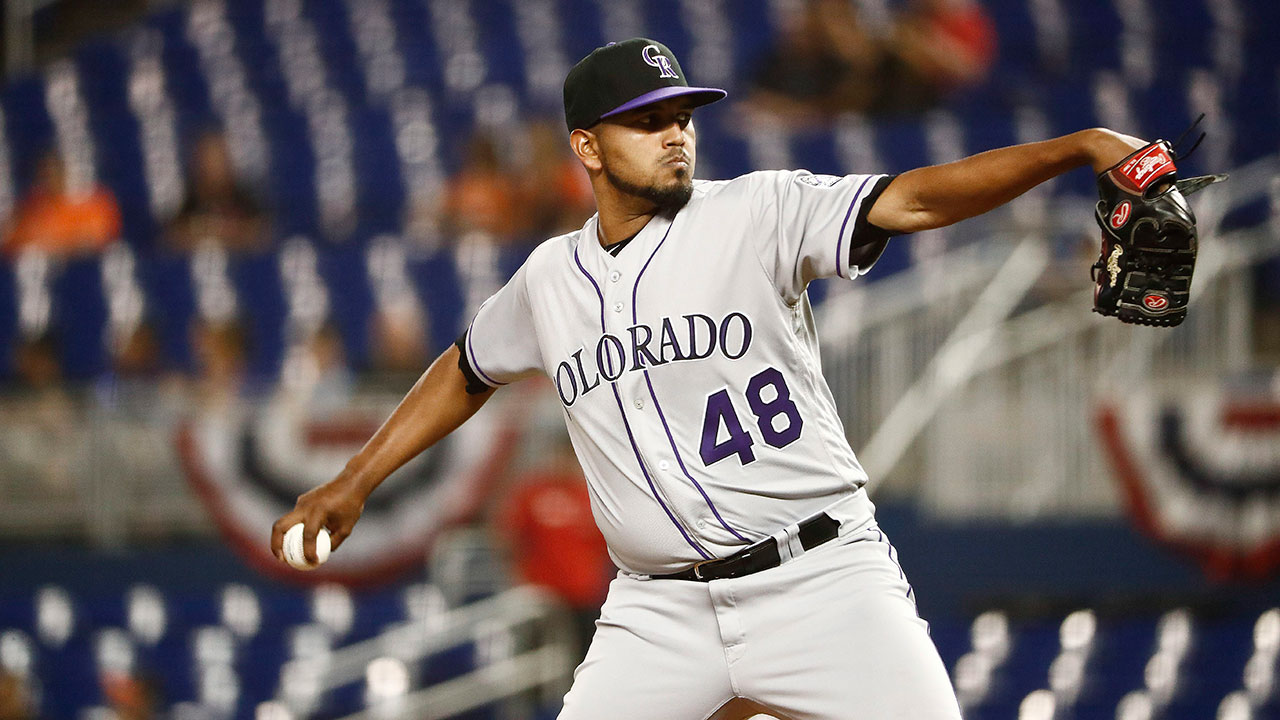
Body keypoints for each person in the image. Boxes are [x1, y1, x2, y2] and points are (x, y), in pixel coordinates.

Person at [272, 38, 1151, 719]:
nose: (676, 132)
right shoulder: (548, 279)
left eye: (682, 115)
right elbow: (467, 369)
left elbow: (912, 198)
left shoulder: (756, 211)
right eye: (647, 121)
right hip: (658, 614)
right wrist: (355, 480)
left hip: (822, 580)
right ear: (587, 145)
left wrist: (1077, 149)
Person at [2, 149, 122, 259]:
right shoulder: (32, 206)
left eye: (55, 171)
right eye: (44, 173)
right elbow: (12, 243)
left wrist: (62, 247)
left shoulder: (94, 204)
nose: (49, 178)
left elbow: (101, 239)